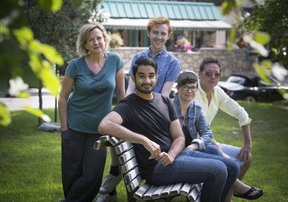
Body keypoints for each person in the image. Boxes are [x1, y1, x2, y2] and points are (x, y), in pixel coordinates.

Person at [99, 57, 239, 202]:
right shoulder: (128, 105)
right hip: (157, 168)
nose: (147, 81)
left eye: (151, 76)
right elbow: (104, 125)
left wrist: (171, 155)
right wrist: (143, 139)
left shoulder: (164, 101)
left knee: (232, 167)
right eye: (142, 76)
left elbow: (179, 137)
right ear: (133, 78)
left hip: (175, 158)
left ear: (156, 77)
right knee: (219, 170)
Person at [97, 16, 181, 202]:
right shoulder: (138, 57)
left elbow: (165, 95)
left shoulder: (173, 62)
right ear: (149, 33)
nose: (159, 37)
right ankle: (115, 173)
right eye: (156, 32)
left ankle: (115, 177)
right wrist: (126, 109)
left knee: (128, 136)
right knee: (117, 131)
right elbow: (130, 90)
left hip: (158, 111)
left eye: (163, 33)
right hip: (136, 104)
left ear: (168, 36)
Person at [58, 23, 125, 202]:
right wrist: (64, 129)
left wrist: (123, 119)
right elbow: (63, 97)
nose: (96, 42)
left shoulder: (115, 61)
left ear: (105, 39)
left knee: (93, 173)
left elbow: (120, 94)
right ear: (85, 44)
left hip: (100, 128)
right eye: (91, 40)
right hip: (75, 126)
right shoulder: (76, 65)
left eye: (99, 38)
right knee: (72, 171)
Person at [194, 57, 263, 201]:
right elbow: (199, 129)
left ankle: (227, 198)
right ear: (199, 74)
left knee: (246, 157)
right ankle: (238, 187)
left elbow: (240, 112)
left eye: (217, 74)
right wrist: (219, 151)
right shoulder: (192, 93)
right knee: (227, 162)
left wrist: (247, 143)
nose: (213, 77)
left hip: (208, 142)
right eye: (208, 73)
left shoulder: (217, 91)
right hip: (194, 145)